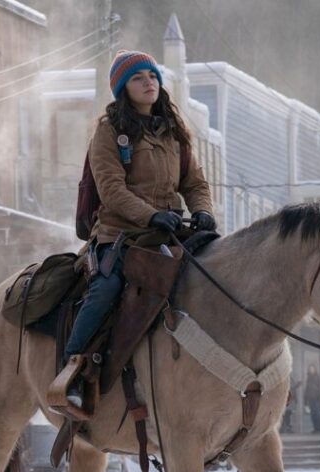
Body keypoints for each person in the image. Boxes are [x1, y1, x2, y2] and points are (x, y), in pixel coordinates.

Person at [59, 50, 216, 408]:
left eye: (153, 75)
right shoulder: (108, 132)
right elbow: (111, 190)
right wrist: (150, 216)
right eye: (138, 77)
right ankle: (71, 368)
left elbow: (195, 184)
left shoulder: (175, 134)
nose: (149, 82)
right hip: (120, 236)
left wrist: (203, 211)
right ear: (122, 90)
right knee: (106, 289)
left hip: (171, 232)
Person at [303, 365, 320, 434]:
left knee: (317, 414)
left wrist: (319, 396)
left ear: (315, 369)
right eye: (310, 369)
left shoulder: (318, 378)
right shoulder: (309, 378)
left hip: (317, 399)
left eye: (312, 369)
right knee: (313, 414)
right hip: (311, 399)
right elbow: (307, 389)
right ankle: (316, 428)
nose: (311, 370)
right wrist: (305, 399)